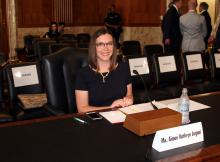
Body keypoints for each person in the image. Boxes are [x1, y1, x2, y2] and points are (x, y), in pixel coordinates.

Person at [75, 28, 133, 113]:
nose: (106, 48)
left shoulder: (124, 68)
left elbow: (129, 94)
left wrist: (128, 99)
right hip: (96, 120)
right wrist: (110, 108)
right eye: (100, 44)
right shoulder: (83, 74)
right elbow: (82, 109)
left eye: (109, 44)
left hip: (121, 116)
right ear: (94, 48)